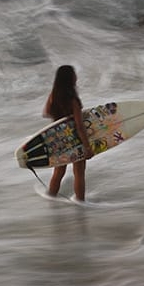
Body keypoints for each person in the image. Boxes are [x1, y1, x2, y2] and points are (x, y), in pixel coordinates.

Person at [44, 64, 91, 201]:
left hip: (58, 139)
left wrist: (60, 118)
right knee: (79, 174)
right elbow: (80, 126)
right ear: (69, 78)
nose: (76, 77)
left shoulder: (53, 96)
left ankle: (51, 199)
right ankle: (81, 202)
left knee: (58, 172)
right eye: (74, 74)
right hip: (75, 140)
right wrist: (87, 147)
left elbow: (46, 112)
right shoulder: (73, 100)